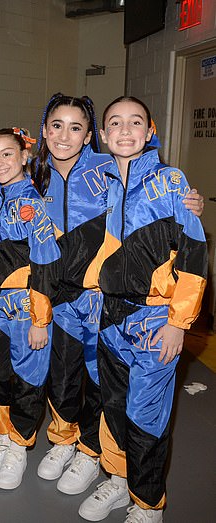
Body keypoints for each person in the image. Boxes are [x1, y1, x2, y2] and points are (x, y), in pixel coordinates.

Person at [32, 94, 206, 497]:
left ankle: (110, 468)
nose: (65, 135)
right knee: (69, 382)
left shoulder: (139, 175)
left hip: (120, 307)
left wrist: (179, 322)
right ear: (43, 130)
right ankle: (79, 450)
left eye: (77, 127)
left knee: (121, 399)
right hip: (66, 299)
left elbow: (190, 249)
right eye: (56, 125)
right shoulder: (39, 174)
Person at [77, 97, 207, 523]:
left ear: (151, 131)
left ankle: (147, 501)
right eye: (115, 123)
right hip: (109, 317)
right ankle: (117, 478)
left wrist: (179, 323)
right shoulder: (99, 182)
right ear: (102, 135)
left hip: (156, 322)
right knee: (112, 405)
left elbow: (193, 256)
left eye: (136, 122)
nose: (126, 130)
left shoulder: (173, 183)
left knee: (146, 414)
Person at [0, 128, 61, 490]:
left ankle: (20, 444)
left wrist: (40, 320)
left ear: (25, 156)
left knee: (28, 380)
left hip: (26, 311)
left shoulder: (31, 204)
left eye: (7, 155)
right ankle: (3, 433)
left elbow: (45, 264)